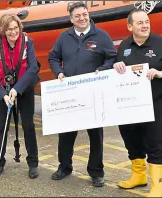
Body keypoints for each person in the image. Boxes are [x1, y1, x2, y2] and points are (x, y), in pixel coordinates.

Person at [48, 1, 117, 187]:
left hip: (94, 94)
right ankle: (64, 166)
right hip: (70, 94)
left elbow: (112, 58)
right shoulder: (64, 37)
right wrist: (58, 72)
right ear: (71, 19)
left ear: (88, 14)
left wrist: (102, 70)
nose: (82, 18)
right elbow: (53, 57)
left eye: (85, 14)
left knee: (96, 135)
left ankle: (96, 171)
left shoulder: (101, 36)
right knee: (66, 134)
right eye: (77, 16)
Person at [113, 9, 162, 197]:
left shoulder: (161, 43)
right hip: (129, 107)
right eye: (140, 23)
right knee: (131, 142)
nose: (145, 26)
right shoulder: (124, 45)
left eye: (147, 22)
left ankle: (157, 185)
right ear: (129, 26)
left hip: (154, 106)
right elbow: (118, 71)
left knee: (155, 144)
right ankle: (138, 177)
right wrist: (116, 66)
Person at [0, 13, 40, 179]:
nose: (13, 32)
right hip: (4, 90)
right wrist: (3, 93)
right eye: (9, 29)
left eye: (15, 28)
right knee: (1, 126)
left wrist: (17, 89)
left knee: (28, 125)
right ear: (3, 30)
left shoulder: (28, 42)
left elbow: (33, 68)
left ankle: (33, 162)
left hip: (23, 88)